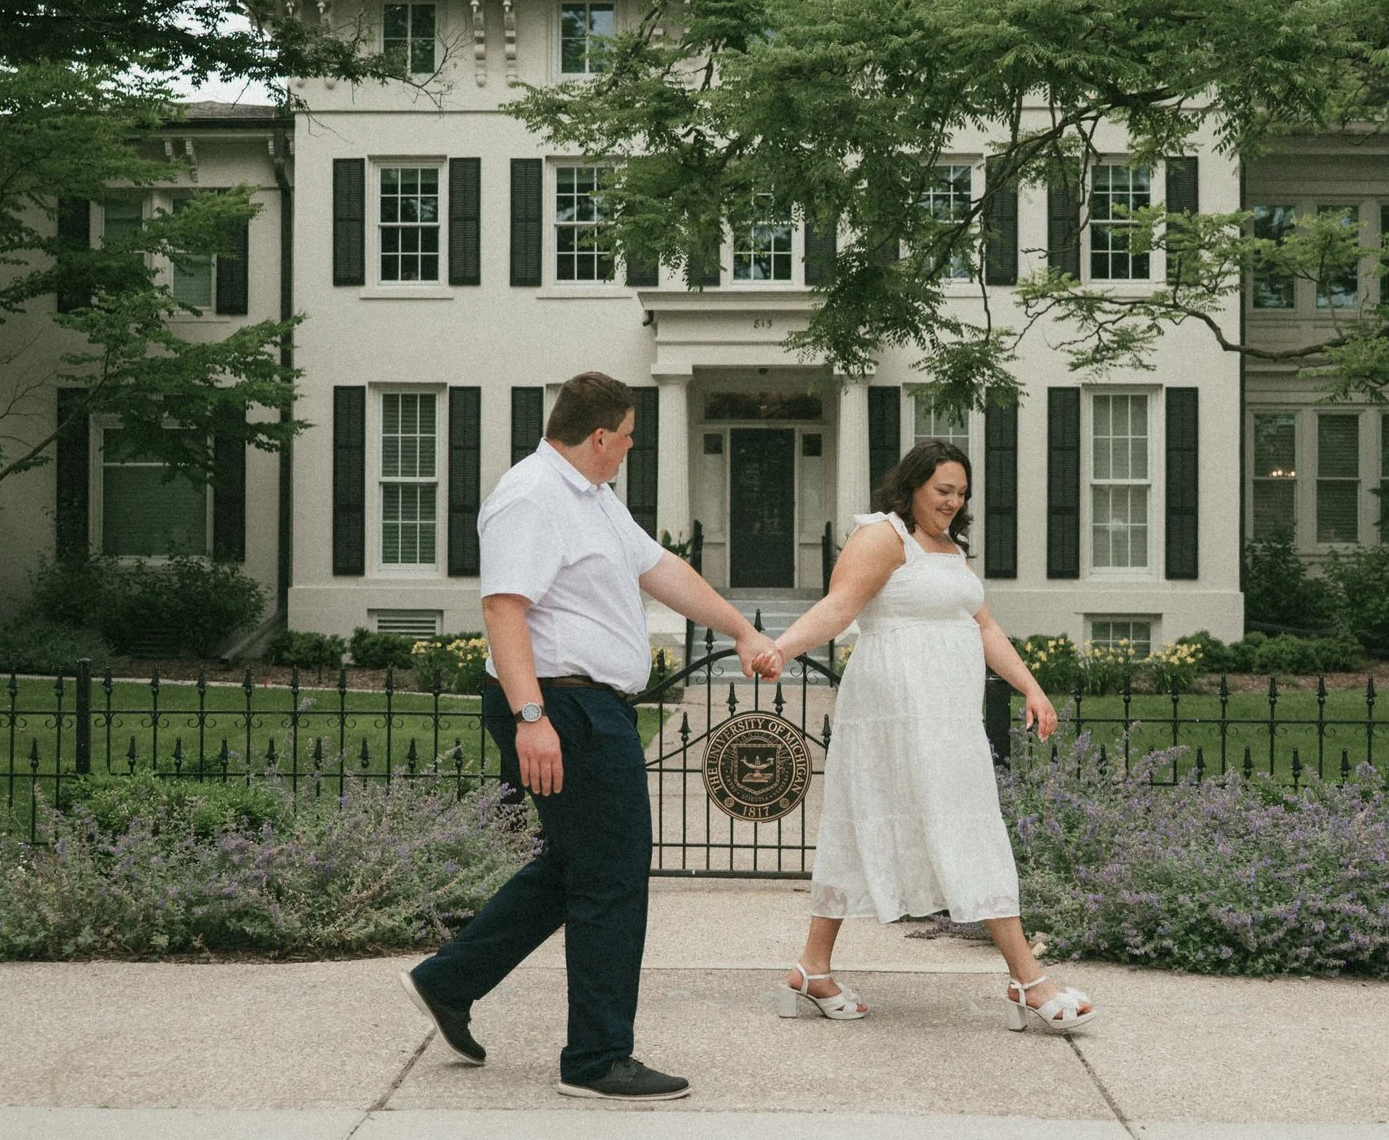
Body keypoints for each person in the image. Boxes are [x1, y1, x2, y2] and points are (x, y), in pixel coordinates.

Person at [401, 370, 784, 1100]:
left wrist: (738, 627)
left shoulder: (594, 500)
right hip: (561, 706)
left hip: (582, 706)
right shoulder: (532, 494)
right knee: (612, 871)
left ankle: (449, 980)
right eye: (629, 439)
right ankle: (597, 1057)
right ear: (599, 434)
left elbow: (661, 568)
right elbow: (504, 610)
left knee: (575, 866)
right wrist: (531, 718)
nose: (629, 452)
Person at [767, 439, 1097, 1033]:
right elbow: (840, 608)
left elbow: (984, 623)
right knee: (882, 818)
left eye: (961, 494)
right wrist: (781, 647)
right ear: (912, 485)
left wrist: (1032, 687)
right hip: (893, 709)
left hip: (949, 713)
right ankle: (1029, 979)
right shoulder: (882, 535)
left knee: (961, 821)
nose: (952, 502)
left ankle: (813, 968)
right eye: (943, 490)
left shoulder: (949, 549)